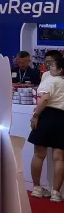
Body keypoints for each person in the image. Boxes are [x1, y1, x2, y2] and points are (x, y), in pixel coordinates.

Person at [28, 53, 64, 202]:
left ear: (60, 69)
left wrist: (35, 115)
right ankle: (56, 192)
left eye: (53, 65)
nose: (50, 67)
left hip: (46, 115)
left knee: (38, 154)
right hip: (62, 117)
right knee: (59, 158)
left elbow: (44, 99)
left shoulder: (50, 80)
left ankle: (36, 188)